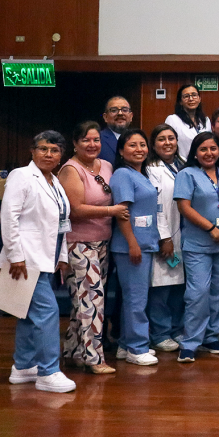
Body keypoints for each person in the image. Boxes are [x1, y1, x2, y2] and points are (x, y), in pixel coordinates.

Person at [3, 131, 76, 393]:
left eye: (54, 150)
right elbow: (8, 216)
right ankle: (48, 372)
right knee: (48, 313)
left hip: (47, 257)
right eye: (43, 149)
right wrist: (15, 256)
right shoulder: (22, 175)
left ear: (61, 156)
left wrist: (63, 256)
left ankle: (23, 367)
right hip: (26, 259)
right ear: (32, 151)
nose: (48, 154)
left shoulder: (55, 181)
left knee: (26, 314)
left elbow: (60, 223)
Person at [57, 122, 125, 374]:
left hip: (103, 242)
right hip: (79, 243)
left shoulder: (106, 165)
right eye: (86, 140)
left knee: (83, 300)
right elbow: (75, 209)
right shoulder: (70, 169)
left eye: (96, 140)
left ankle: (73, 351)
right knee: (91, 300)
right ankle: (94, 358)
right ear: (75, 143)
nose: (92, 144)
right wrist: (111, 211)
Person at [173, 131, 219, 363]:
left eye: (213, 149)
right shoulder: (187, 174)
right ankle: (190, 342)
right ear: (195, 153)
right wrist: (211, 229)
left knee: (218, 293)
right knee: (198, 293)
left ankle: (211, 336)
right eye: (203, 149)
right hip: (198, 243)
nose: (209, 153)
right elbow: (184, 207)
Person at [109, 129, 160, 366]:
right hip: (132, 245)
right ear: (121, 151)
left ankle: (124, 345)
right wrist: (132, 243)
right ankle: (137, 347)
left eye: (142, 144)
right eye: (132, 145)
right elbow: (122, 213)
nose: (139, 149)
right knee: (136, 298)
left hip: (144, 243)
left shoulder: (141, 174)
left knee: (133, 297)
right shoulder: (122, 174)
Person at [145, 124, 186, 353]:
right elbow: (157, 206)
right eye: (162, 139)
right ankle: (160, 333)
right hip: (166, 233)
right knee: (161, 287)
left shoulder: (181, 165)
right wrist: (164, 237)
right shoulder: (152, 169)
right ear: (153, 144)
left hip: (184, 234)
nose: (168, 143)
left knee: (179, 286)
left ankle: (176, 329)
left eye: (171, 138)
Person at [164, 84, 211, 160]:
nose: (191, 99)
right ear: (180, 102)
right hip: (182, 164)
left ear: (199, 99)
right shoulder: (173, 120)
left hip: (204, 163)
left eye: (194, 95)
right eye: (186, 96)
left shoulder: (206, 120)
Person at [100, 96, 133, 164]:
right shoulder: (97, 139)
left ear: (131, 116)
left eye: (124, 110)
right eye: (114, 110)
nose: (120, 113)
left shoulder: (138, 140)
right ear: (105, 117)